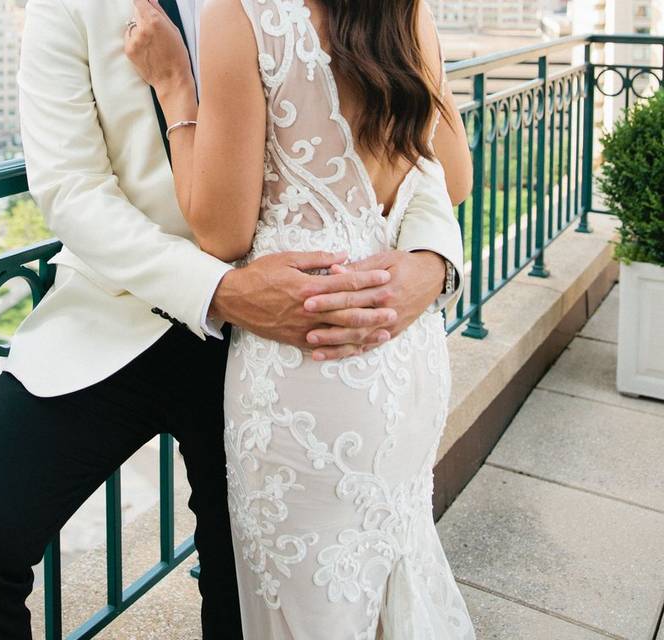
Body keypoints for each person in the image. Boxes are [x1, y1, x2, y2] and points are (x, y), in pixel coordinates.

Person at [0, 0, 465, 637]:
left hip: (281, 345)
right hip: (119, 316)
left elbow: (401, 139)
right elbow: (70, 188)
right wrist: (219, 289)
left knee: (251, 586)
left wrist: (432, 260)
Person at [124, 0, 477, 637]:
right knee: (391, 583)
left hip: (307, 363)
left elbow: (221, 231)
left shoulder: (244, 13)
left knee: (310, 611)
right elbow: (452, 176)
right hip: (401, 347)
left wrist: (175, 88)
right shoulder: (405, 10)